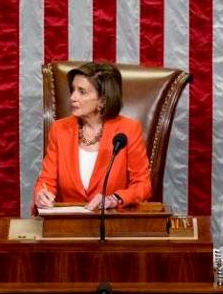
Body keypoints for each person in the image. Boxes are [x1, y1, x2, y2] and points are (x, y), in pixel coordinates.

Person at [33, 62, 151, 211]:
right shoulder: (59, 129)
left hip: (110, 223)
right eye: (73, 90)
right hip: (68, 226)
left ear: (102, 100)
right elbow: (47, 180)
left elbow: (143, 185)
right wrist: (42, 194)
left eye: (82, 92)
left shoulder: (128, 130)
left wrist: (115, 199)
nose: (73, 97)